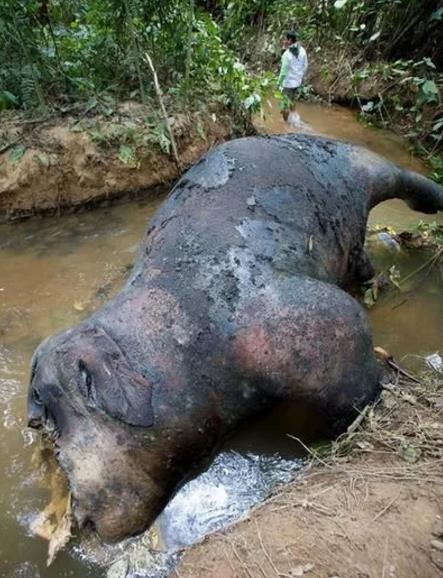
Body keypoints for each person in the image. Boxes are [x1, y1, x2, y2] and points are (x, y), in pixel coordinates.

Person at [278, 31, 308, 122]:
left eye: (285, 39)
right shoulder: (302, 50)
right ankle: (296, 119)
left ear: (290, 40)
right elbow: (305, 65)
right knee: (291, 100)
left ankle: (286, 124)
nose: (283, 41)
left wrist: (278, 83)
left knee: (284, 105)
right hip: (297, 82)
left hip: (287, 84)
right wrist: (300, 77)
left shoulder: (287, 55)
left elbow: (283, 72)